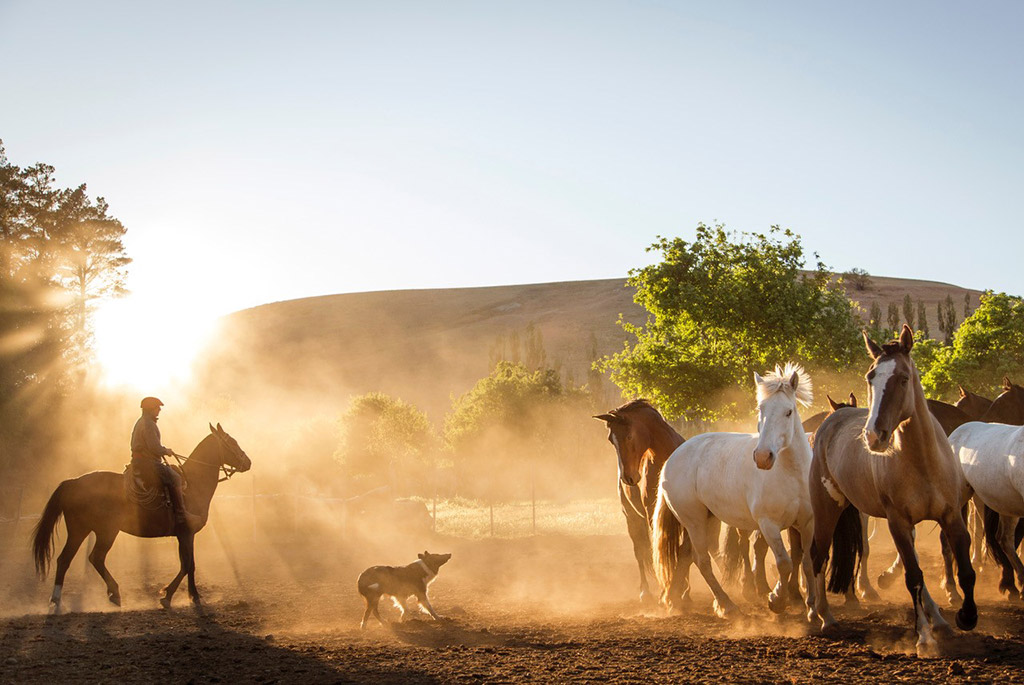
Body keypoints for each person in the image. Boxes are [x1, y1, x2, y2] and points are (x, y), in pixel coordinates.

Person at [131, 397, 201, 531]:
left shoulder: (141, 422)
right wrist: (166, 451)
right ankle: (181, 514)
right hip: (147, 463)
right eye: (157, 407)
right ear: (151, 409)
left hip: (140, 461)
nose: (159, 410)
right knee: (176, 478)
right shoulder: (149, 424)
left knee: (173, 472)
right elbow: (154, 447)